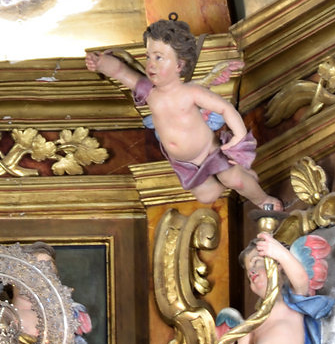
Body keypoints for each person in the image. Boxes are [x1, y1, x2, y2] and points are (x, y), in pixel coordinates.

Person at [86, 15, 276, 208]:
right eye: (148, 56)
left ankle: (263, 201)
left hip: (209, 152)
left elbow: (225, 108)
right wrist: (100, 63)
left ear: (179, 64)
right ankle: (239, 178)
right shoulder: (150, 92)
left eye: (159, 57)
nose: (151, 64)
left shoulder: (191, 92)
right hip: (185, 164)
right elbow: (121, 72)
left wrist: (239, 136)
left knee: (235, 180)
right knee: (208, 196)